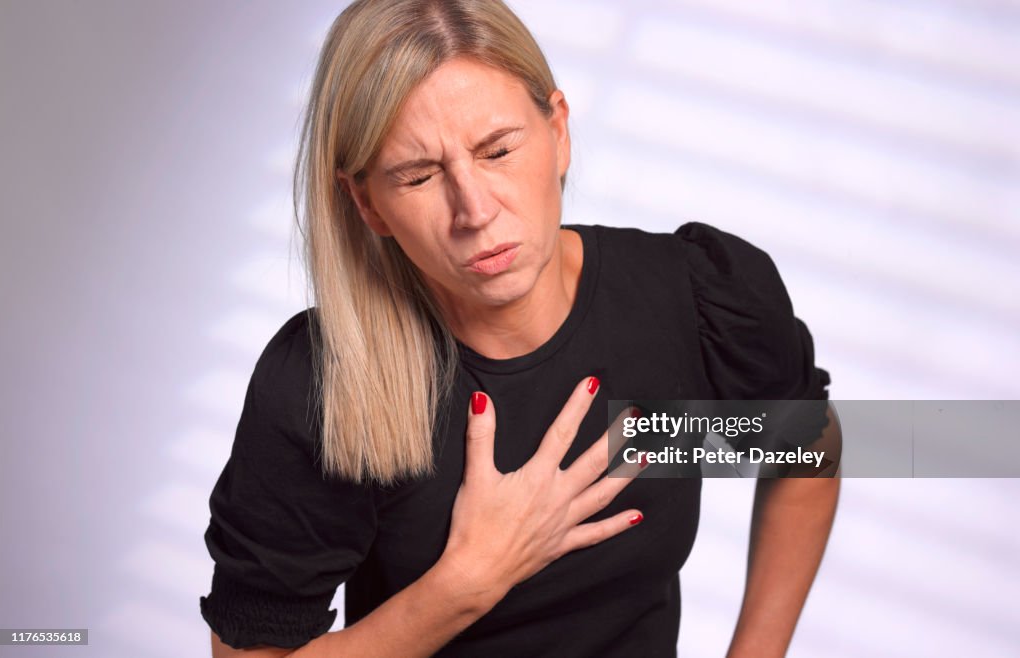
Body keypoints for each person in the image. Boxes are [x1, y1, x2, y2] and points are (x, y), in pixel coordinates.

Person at [199, 1, 841, 656]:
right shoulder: (323, 382)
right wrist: (467, 582)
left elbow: (808, 448)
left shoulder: (687, 301)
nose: (474, 211)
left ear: (558, 131)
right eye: (417, 175)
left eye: (498, 150)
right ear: (368, 204)